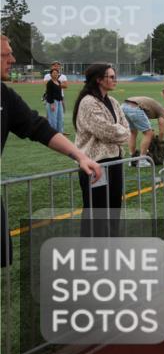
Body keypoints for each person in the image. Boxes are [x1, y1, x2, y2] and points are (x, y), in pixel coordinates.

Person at [1, 36, 102, 267]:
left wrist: (80, 156)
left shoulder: (4, 95)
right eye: (6, 54)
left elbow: (39, 128)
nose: (13, 59)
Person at [72, 63, 129, 232]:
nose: (115, 80)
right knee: (96, 212)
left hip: (114, 161)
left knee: (113, 209)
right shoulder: (88, 102)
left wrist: (121, 131)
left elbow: (126, 126)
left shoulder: (112, 101)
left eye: (114, 76)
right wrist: (121, 131)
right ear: (98, 80)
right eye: (111, 77)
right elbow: (106, 131)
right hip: (94, 164)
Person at [121, 95, 164, 165]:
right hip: (135, 107)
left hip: (123, 107)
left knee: (133, 133)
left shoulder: (153, 108)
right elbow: (162, 131)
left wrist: (153, 135)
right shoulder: (163, 111)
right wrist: (159, 141)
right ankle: (142, 160)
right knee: (148, 133)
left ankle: (132, 159)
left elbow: (146, 124)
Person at [43, 66, 66, 133]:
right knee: (53, 119)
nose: (55, 74)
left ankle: (60, 132)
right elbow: (49, 94)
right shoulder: (50, 83)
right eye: (54, 73)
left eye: (57, 73)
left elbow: (59, 92)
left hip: (59, 102)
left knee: (60, 118)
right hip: (52, 102)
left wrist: (62, 101)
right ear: (51, 74)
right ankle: (52, 133)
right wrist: (52, 103)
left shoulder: (58, 82)